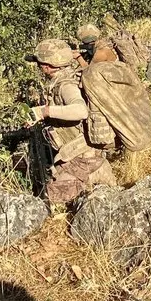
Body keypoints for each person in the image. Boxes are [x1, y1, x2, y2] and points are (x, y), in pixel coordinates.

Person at [24, 39, 115, 203]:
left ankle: (94, 178)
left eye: (40, 63)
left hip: (83, 156)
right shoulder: (63, 78)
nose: (39, 67)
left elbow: (80, 111)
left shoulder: (66, 84)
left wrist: (45, 112)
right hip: (74, 152)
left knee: (51, 198)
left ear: (48, 65)